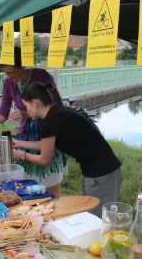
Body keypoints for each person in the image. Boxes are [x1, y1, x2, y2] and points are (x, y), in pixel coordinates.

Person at [11, 82, 122, 217]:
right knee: (91, 215)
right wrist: (18, 143)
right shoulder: (56, 114)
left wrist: (22, 155)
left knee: (99, 218)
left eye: (26, 105)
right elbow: (44, 145)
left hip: (102, 172)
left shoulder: (50, 121)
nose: (26, 111)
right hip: (96, 171)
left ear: (34, 102)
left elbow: (44, 159)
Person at [0, 47, 65, 197]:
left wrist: (29, 114)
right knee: (26, 189)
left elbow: (57, 108)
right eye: (6, 73)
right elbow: (2, 114)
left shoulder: (40, 76)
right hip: (25, 138)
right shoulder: (8, 83)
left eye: (12, 72)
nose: (9, 76)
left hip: (46, 135)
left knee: (49, 190)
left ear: (22, 65)